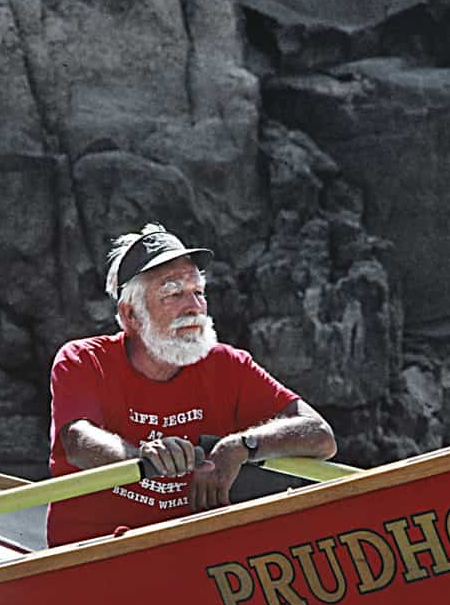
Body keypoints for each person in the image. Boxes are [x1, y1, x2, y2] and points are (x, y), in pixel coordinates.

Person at [45, 222, 338, 547]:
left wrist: (238, 447)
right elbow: (78, 441)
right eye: (173, 294)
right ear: (130, 315)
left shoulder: (227, 365)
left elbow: (321, 437)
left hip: (188, 554)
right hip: (92, 555)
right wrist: (143, 457)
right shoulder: (83, 360)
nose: (195, 307)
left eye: (198, 292)